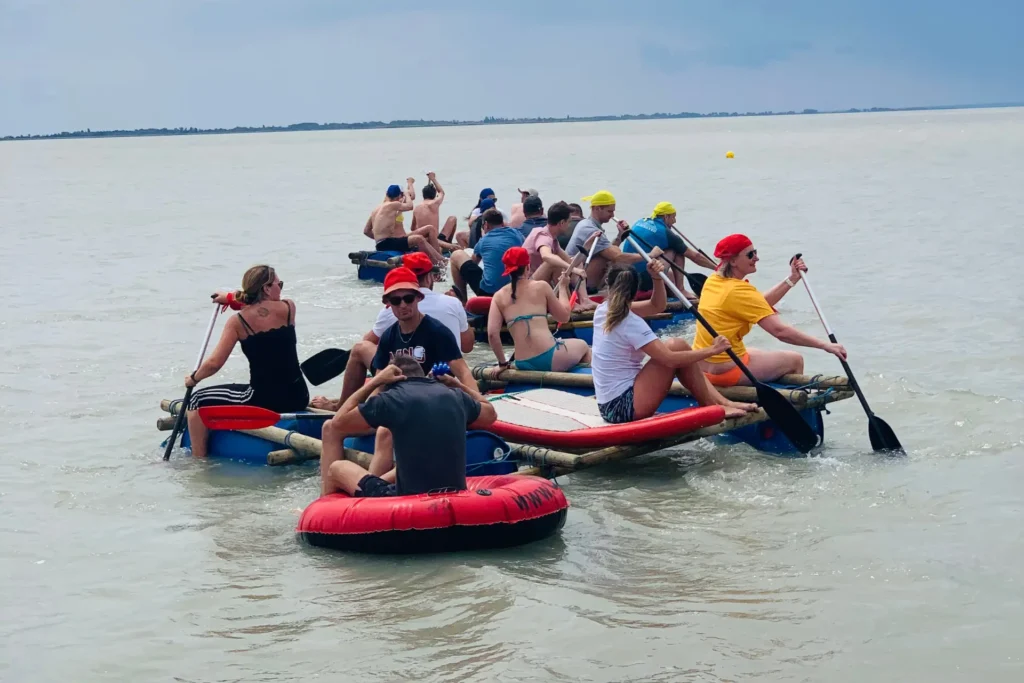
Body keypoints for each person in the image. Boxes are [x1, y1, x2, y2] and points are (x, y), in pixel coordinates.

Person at [591, 262, 758, 424]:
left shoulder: (603, 310)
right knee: (675, 348)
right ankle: (713, 404)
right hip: (623, 409)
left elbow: (657, 306)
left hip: (609, 406)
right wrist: (713, 350)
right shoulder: (630, 322)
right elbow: (669, 359)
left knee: (677, 345)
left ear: (607, 283)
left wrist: (657, 279)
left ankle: (722, 402)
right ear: (636, 291)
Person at [319, 355, 497, 497]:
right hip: (454, 491)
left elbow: (337, 424)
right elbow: (490, 414)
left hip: (410, 498)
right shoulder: (456, 395)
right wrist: (457, 384)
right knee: (386, 436)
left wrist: (376, 381)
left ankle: (324, 515)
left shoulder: (392, 399)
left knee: (338, 468)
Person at [183, 265, 309, 457]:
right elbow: (262, 309)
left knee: (196, 399)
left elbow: (214, 363)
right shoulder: (289, 307)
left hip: (263, 399)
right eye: (279, 284)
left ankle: (198, 460)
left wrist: (193, 379)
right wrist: (230, 298)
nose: (281, 288)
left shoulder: (238, 322)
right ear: (266, 288)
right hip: (298, 396)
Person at [311, 265, 476, 409]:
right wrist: (366, 411)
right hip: (401, 392)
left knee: (359, 349)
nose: (403, 305)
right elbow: (379, 384)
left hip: (431, 394)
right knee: (337, 426)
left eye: (408, 299)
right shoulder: (389, 335)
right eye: (396, 301)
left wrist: (478, 404)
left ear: (418, 297)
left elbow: (464, 373)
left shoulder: (437, 332)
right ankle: (343, 410)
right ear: (388, 304)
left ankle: (341, 405)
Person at [692, 234, 847, 386]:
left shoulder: (713, 280)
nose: (756, 258)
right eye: (750, 254)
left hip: (702, 363)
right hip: (725, 371)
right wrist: (825, 345)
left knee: (757, 351)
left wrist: (792, 278)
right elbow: (780, 331)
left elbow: (759, 304)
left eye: (756, 252)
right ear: (733, 261)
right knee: (795, 359)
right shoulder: (738, 291)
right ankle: (796, 407)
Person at [487, 247, 591, 372]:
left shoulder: (498, 296)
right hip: (550, 356)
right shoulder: (541, 286)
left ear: (507, 270)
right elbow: (564, 317)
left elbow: (492, 334)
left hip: (522, 362)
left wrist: (502, 364)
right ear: (528, 266)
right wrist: (563, 288)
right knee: (584, 345)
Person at [565, 190, 643, 293]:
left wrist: (620, 236)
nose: (612, 215)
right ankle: (591, 290)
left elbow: (610, 250)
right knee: (610, 258)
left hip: (580, 273)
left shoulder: (590, 224)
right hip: (573, 278)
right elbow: (618, 257)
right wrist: (650, 255)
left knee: (609, 253)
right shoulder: (589, 228)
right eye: (609, 211)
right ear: (597, 209)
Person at [522, 200, 595, 310]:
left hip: (538, 283)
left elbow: (569, 261)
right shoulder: (543, 236)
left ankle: (585, 300)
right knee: (552, 263)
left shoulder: (553, 238)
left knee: (575, 263)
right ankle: (570, 304)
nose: (570, 225)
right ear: (561, 223)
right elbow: (546, 256)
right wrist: (574, 270)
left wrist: (586, 246)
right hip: (527, 287)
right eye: (569, 222)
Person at [449, 208, 525, 301]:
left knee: (457, 255)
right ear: (502, 223)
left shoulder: (484, 241)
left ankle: (463, 301)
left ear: (485, 225)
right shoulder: (517, 234)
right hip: (515, 289)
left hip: (489, 294)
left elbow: (473, 264)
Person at [363, 178, 443, 263]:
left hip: (382, 243)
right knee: (418, 239)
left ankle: (437, 257)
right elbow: (410, 206)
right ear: (399, 196)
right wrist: (406, 194)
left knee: (427, 230)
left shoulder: (376, 209)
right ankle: (440, 261)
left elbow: (366, 231)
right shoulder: (393, 205)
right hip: (386, 243)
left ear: (386, 193)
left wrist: (378, 238)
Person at [410, 171, 459, 251]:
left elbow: (413, 228)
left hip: (423, 238)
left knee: (452, 218)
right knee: (453, 219)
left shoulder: (417, 208)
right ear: (434, 195)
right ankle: (447, 247)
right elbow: (441, 192)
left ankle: (446, 246)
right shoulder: (434, 204)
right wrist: (433, 179)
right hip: (434, 241)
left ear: (423, 195)